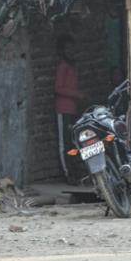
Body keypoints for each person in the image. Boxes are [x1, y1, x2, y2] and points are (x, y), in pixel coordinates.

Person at [55, 35, 85, 184]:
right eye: (68, 48)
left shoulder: (73, 67)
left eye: (72, 48)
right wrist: (76, 94)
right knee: (64, 144)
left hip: (73, 110)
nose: (71, 51)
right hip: (64, 109)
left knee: (73, 143)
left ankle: (75, 172)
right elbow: (58, 88)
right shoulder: (63, 67)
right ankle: (67, 174)